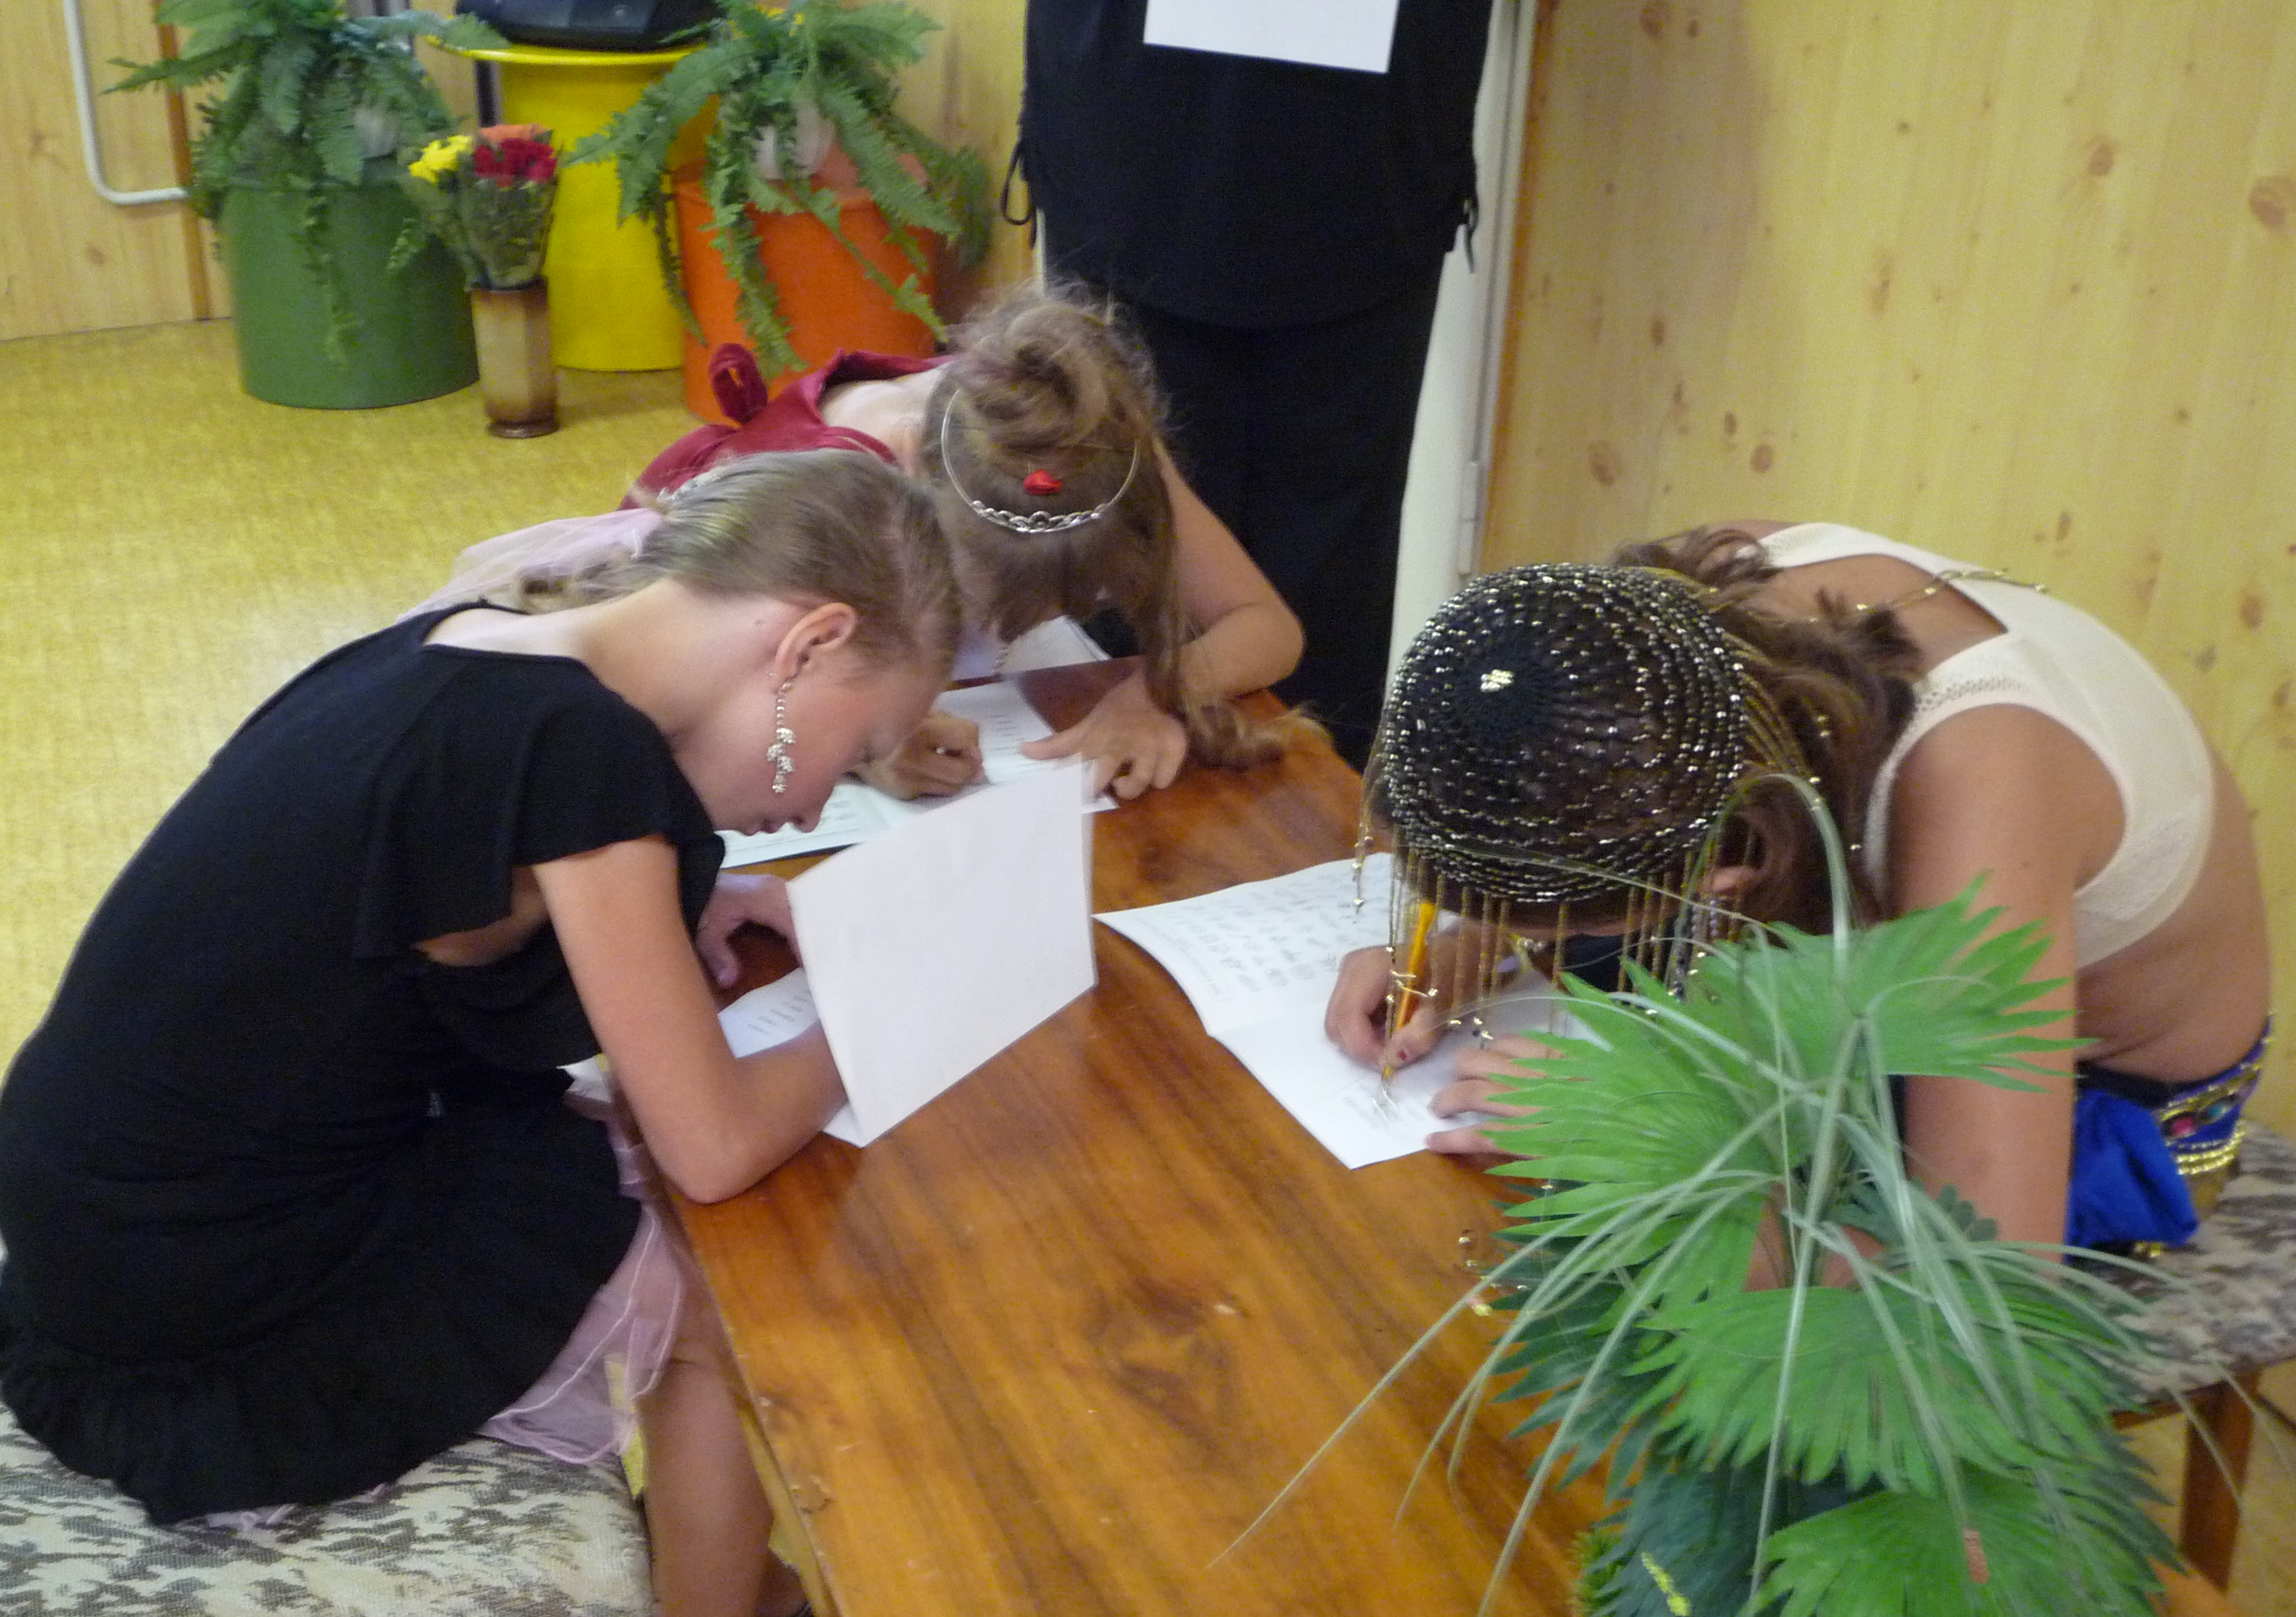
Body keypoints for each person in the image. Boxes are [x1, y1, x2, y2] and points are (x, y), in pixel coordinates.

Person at [0, 451, 959, 1617]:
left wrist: (688, 897)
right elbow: (716, 1142)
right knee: (731, 1287)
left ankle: (731, 1570)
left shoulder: (485, 641)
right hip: (192, 1283)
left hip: (89, 1205)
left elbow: (414, 881)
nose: (831, 789)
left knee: (641, 1188)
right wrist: (896, 1005)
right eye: (860, 744)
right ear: (808, 643)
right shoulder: (581, 754)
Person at [1327, 524, 2271, 1256]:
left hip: (2093, 1110)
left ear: (1726, 886)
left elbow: (1976, 1274)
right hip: (1908, 973)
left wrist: (1646, 1156)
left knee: (1639, 1284)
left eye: (1547, 922)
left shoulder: (1978, 801)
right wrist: (1469, 944)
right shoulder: (1671, 617)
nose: (1522, 937)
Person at [1020, 0, 1497, 766]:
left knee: (1330, 588)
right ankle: (1114, 811)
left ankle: (1313, 832)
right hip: (1128, 139)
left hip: (1366, 161)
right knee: (1128, 539)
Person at [620, 283, 1308, 801]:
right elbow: (675, 713)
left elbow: (1267, 627)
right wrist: (862, 748)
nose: (1019, 628)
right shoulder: (829, 494)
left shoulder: (1091, 446)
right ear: (915, 486)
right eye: (981, 604)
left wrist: (1151, 692)